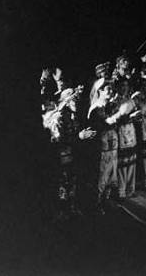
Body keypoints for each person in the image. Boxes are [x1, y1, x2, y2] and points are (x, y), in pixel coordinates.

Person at [42, 86, 95, 221]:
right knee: (62, 186)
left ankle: (71, 208)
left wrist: (82, 135)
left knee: (72, 183)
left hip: (73, 157)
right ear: (66, 101)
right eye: (73, 100)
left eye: (77, 100)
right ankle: (61, 213)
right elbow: (58, 141)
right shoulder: (58, 118)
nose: (77, 103)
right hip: (62, 159)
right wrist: (79, 137)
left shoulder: (73, 116)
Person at [87, 78, 124, 214]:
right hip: (102, 147)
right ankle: (96, 204)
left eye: (111, 88)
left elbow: (114, 124)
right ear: (100, 91)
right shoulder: (96, 108)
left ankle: (105, 200)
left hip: (112, 144)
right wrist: (120, 114)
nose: (111, 91)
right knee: (101, 177)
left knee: (111, 176)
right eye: (108, 89)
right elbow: (105, 123)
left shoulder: (109, 105)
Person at [112, 78, 139, 200]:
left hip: (130, 132)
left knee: (131, 160)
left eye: (126, 86)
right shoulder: (114, 101)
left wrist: (136, 117)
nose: (124, 88)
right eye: (122, 85)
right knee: (122, 163)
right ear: (117, 87)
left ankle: (130, 188)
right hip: (120, 132)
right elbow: (115, 118)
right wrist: (129, 117)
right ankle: (121, 190)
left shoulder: (130, 100)